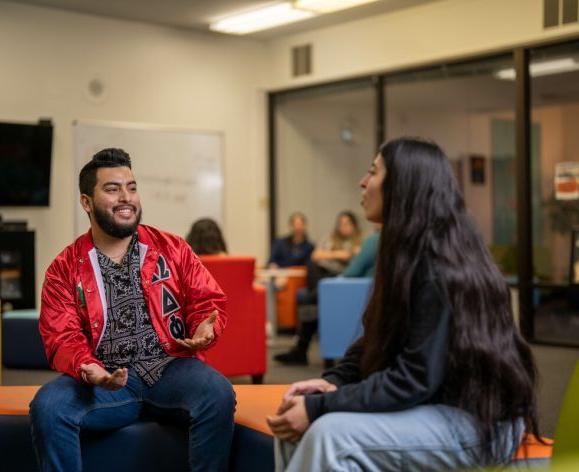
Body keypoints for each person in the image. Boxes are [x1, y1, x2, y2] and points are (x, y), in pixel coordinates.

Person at [267, 138, 541, 471]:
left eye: (373, 172)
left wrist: (321, 408)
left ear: (403, 185)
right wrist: (333, 382)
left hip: (479, 421)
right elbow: (372, 340)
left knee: (329, 433)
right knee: (294, 422)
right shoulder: (401, 253)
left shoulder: (440, 265)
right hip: (432, 405)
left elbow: (414, 378)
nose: (363, 182)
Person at [29, 148, 235, 472]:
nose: (126, 197)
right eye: (113, 189)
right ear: (86, 202)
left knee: (219, 393)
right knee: (49, 406)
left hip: (171, 368)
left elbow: (207, 301)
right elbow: (61, 335)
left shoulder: (172, 248)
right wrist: (88, 367)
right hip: (106, 381)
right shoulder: (64, 268)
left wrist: (204, 328)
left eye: (132, 187)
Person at [274, 211, 362, 365]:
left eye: (347, 224)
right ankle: (317, 295)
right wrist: (341, 254)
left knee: (311, 301)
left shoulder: (361, 241)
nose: (343, 227)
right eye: (341, 224)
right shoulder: (330, 237)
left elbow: (353, 265)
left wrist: (332, 255)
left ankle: (300, 351)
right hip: (325, 278)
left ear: (354, 226)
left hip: (343, 282)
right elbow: (316, 255)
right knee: (312, 266)